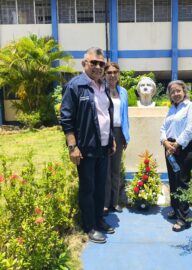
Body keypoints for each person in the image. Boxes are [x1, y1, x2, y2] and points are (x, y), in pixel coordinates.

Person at [60, 47, 116, 244]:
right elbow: (66, 119)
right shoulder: (75, 86)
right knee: (88, 188)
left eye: (101, 63)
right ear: (84, 64)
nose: (98, 67)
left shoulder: (103, 86)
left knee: (101, 187)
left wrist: (112, 139)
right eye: (94, 63)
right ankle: (90, 226)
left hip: (103, 147)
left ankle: (99, 220)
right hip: (85, 148)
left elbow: (105, 115)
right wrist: (72, 147)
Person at [160, 80, 192, 232]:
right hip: (170, 148)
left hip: (184, 148)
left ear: (184, 91)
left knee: (182, 180)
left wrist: (176, 144)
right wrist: (164, 141)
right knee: (173, 179)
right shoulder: (171, 109)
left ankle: (183, 219)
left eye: (178, 91)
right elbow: (164, 127)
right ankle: (176, 209)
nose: (175, 94)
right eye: (172, 92)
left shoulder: (191, 107)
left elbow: (191, 129)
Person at [103, 62, 130, 215]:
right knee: (105, 169)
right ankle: (105, 203)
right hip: (106, 133)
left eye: (115, 72)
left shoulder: (124, 92)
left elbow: (125, 115)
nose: (112, 75)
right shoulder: (101, 90)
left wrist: (126, 136)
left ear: (118, 74)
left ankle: (115, 202)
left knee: (115, 169)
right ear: (105, 74)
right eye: (109, 72)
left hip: (120, 132)